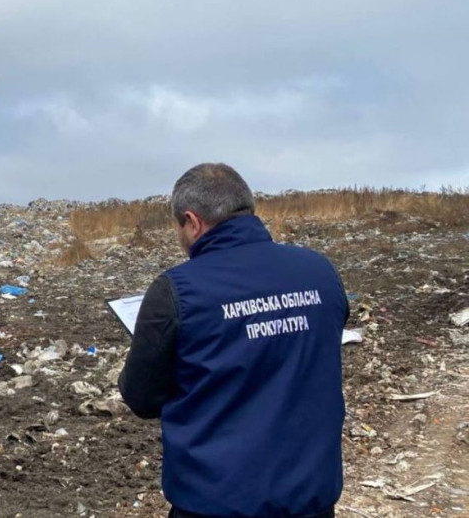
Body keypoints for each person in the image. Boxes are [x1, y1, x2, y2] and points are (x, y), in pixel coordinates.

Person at [118, 163, 348, 518]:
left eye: (180, 227)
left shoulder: (176, 291)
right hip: (311, 498)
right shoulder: (320, 271)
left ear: (192, 222)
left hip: (216, 502)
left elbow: (142, 397)